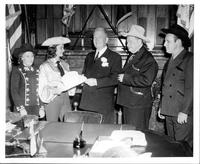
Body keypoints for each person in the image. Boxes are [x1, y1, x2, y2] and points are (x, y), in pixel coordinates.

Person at [158, 24, 193, 149]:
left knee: (182, 148)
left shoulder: (190, 59)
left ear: (178, 42)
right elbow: (165, 86)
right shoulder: (170, 60)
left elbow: (192, 88)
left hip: (181, 113)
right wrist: (162, 107)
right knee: (171, 146)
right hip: (169, 111)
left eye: (168, 41)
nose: (164, 44)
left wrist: (184, 111)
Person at [117, 25, 158, 130]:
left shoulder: (148, 59)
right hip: (130, 103)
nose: (127, 45)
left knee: (137, 135)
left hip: (138, 106)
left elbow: (147, 80)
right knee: (130, 134)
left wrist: (125, 78)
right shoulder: (133, 55)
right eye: (127, 42)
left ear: (139, 41)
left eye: (130, 41)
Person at [79, 27, 122, 123]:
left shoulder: (115, 57)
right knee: (87, 134)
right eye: (94, 37)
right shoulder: (89, 56)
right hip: (87, 103)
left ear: (106, 40)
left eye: (99, 37)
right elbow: (84, 74)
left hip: (102, 105)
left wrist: (96, 82)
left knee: (102, 134)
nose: (96, 40)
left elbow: (116, 78)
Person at [39, 36, 72, 121]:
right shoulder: (44, 66)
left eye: (63, 48)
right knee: (52, 124)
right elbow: (42, 86)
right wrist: (53, 90)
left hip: (65, 97)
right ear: (54, 50)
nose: (63, 50)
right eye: (61, 48)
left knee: (69, 124)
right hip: (53, 98)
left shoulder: (65, 64)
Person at [10, 43, 45, 118]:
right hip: (22, 108)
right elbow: (14, 91)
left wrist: (41, 107)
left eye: (32, 56)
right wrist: (21, 108)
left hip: (36, 108)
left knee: (35, 129)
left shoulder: (37, 70)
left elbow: (40, 90)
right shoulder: (17, 70)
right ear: (22, 57)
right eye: (27, 56)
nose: (31, 58)